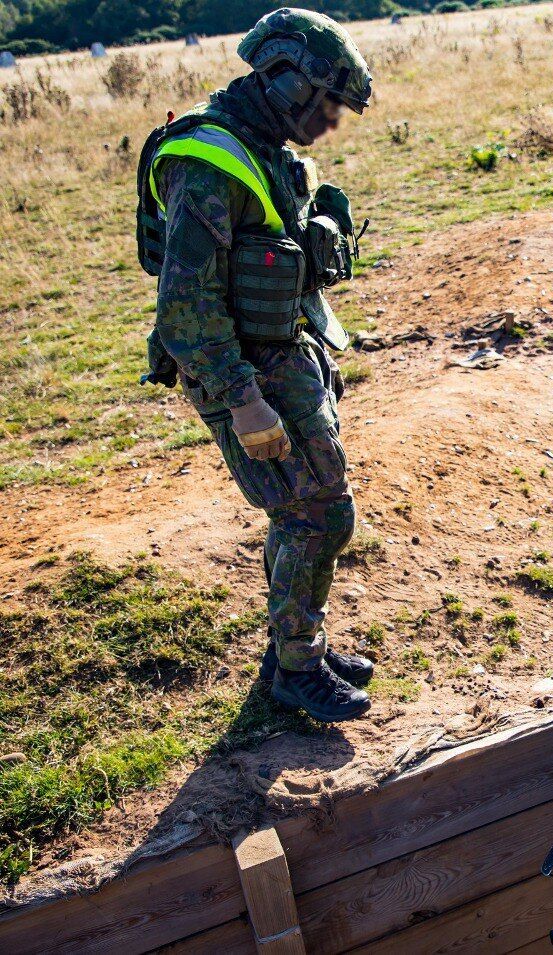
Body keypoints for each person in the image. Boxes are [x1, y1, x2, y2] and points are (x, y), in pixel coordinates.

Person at [136, 8, 375, 722]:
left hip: (281, 354)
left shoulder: (265, 144)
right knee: (318, 513)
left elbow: (277, 260)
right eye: (328, 104)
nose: (331, 123)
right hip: (240, 370)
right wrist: (244, 400)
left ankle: (295, 643)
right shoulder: (209, 162)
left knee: (306, 508)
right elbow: (185, 310)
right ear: (285, 81)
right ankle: (296, 667)